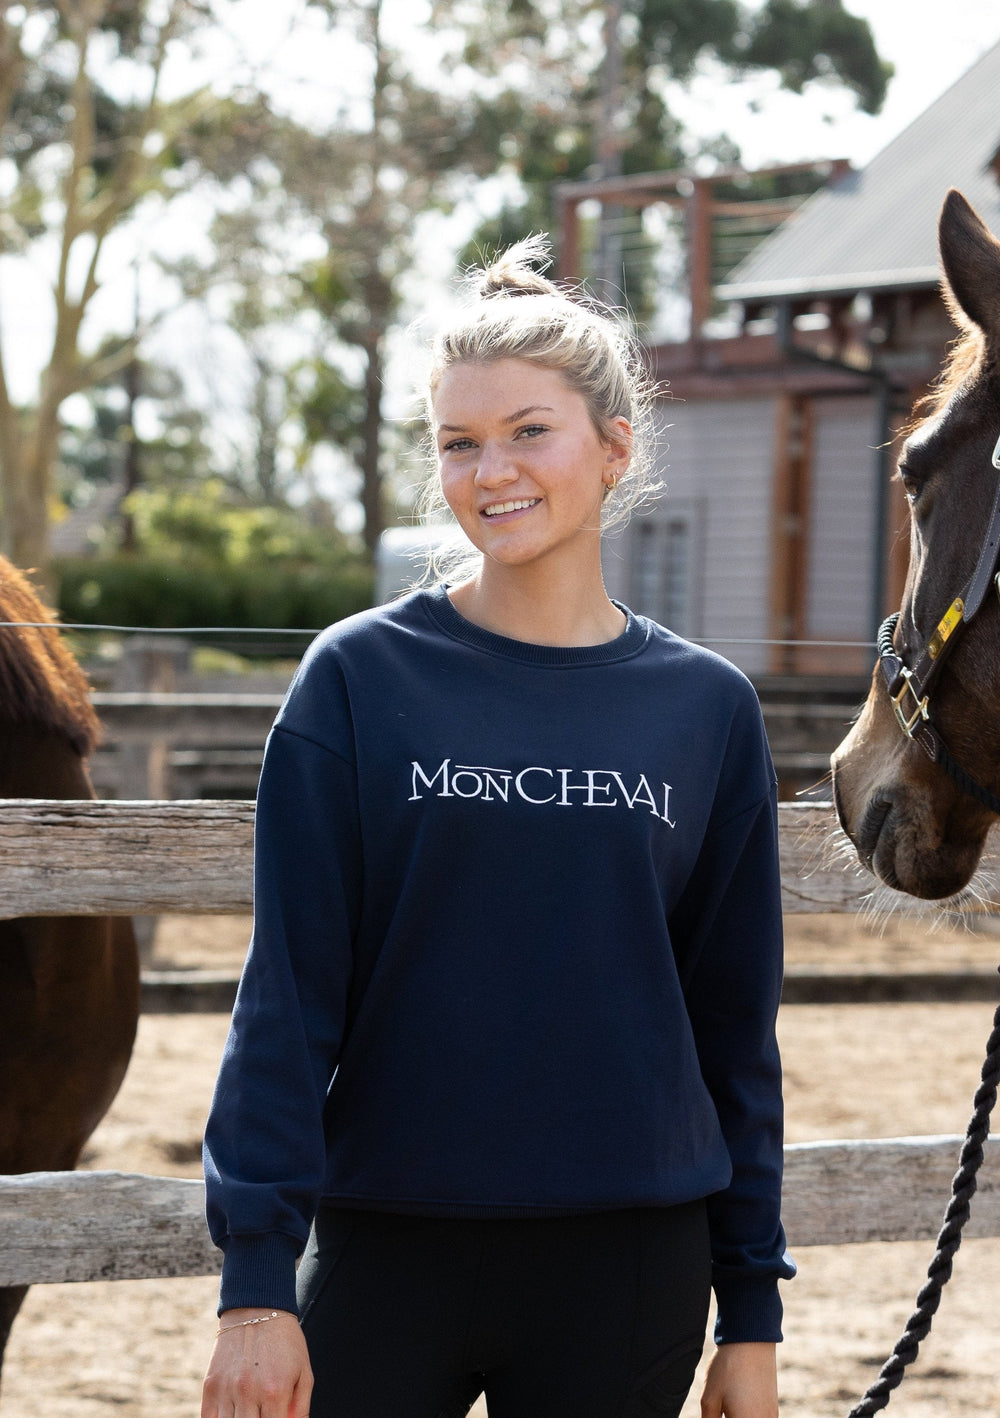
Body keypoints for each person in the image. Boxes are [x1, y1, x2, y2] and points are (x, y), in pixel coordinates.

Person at [200, 239, 794, 1418]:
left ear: (614, 446)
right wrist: (255, 1284)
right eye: (459, 442)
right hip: (385, 1250)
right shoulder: (356, 678)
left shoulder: (705, 706)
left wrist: (752, 1314)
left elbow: (734, 1026)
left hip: (628, 1266)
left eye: (530, 430)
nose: (492, 470)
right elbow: (287, 991)